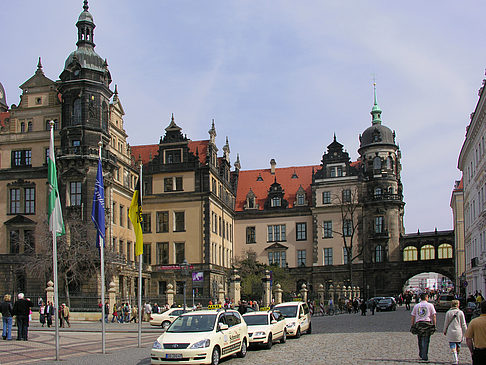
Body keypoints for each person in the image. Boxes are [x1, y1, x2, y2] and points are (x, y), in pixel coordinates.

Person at [411, 292, 436, 362]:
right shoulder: (430, 305)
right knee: (426, 340)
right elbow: (434, 315)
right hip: (427, 323)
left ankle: (421, 354)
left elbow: (413, 316)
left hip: (419, 323)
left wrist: (412, 325)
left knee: (420, 339)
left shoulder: (416, 306)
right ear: (426, 297)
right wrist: (434, 324)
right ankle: (425, 356)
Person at [443, 299, 467, 365]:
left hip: (451, 331)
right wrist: (466, 332)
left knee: (452, 345)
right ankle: (456, 356)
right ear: (457, 305)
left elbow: (446, 323)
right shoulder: (460, 312)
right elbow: (463, 324)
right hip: (458, 331)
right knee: (458, 345)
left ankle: (455, 358)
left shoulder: (448, 312)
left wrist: (444, 330)